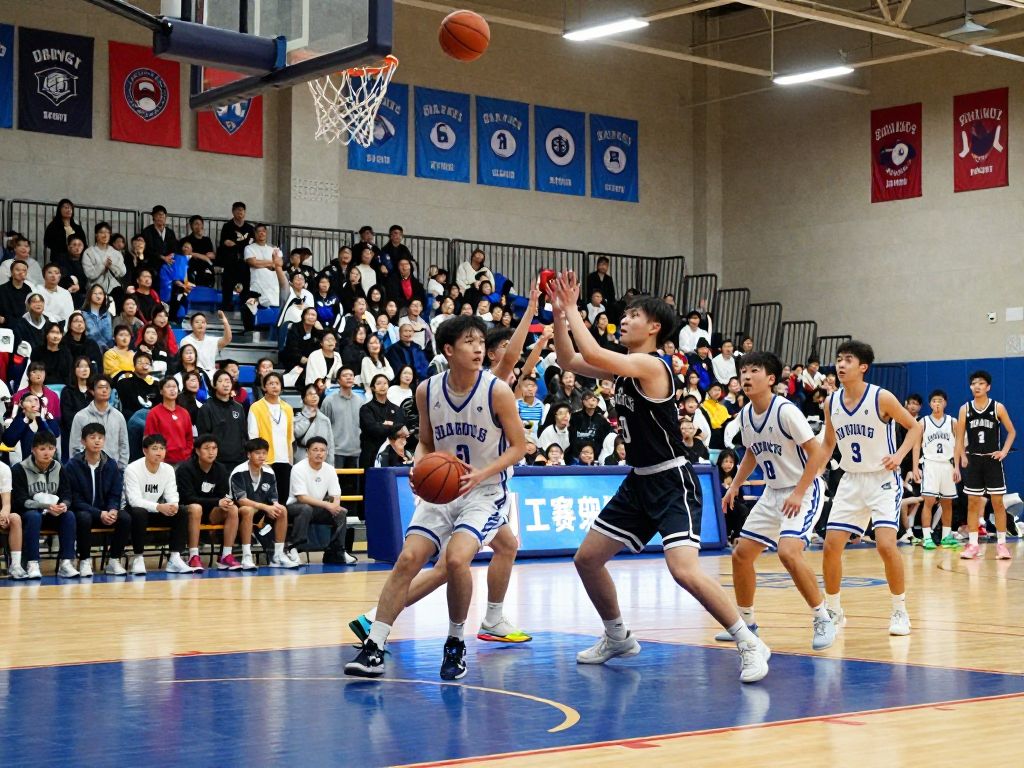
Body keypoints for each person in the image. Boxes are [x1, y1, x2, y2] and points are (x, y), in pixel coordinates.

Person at [547, 271, 770, 683]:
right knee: (587, 559)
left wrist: (574, 307)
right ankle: (617, 637)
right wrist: (561, 316)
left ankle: (748, 640)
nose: (624, 320)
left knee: (683, 570)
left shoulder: (652, 366)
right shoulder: (625, 371)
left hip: (672, 481)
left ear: (653, 327)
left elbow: (593, 350)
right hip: (638, 481)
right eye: (624, 314)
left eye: (632, 315)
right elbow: (569, 361)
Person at [345, 315, 527, 680]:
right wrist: (418, 467)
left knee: (458, 560)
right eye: (470, 342)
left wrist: (482, 473)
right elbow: (426, 441)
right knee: (408, 558)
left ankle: (455, 643)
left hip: (484, 490)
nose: (479, 348)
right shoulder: (427, 390)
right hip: (442, 492)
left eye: (481, 342)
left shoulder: (497, 391)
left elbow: (520, 446)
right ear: (448, 349)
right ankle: (375, 646)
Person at [717, 352, 835, 650]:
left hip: (803, 489)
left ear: (770, 379)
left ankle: (823, 617)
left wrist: (798, 492)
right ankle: (747, 624)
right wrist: (735, 486)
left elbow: (817, 453)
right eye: (743, 371)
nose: (746, 376)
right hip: (773, 493)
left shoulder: (786, 411)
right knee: (741, 555)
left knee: (788, 552)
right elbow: (752, 453)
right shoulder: (745, 414)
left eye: (753, 370)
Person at [819, 340, 923, 636]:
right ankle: (835, 611)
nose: (841, 364)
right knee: (830, 547)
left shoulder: (882, 398)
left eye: (848, 359)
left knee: (886, 545)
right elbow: (828, 444)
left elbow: (915, 427)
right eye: (839, 359)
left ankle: (900, 611)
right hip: (850, 481)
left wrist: (900, 456)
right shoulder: (831, 402)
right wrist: (810, 476)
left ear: (862, 367)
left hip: (882, 481)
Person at [954, 371, 1016, 560]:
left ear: (988, 387)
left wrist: (1004, 451)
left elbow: (1012, 432)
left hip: (992, 461)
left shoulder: (998, 407)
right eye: (974, 383)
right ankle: (973, 544)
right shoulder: (965, 409)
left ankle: (1002, 545)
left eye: (981, 383)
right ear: (970, 387)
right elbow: (958, 439)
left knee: (997, 503)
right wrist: (960, 459)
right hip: (974, 460)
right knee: (973, 503)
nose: (977, 386)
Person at [176, 434, 249, 571]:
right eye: (207, 448)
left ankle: (226, 556)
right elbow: (187, 497)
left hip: (212, 512)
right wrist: (217, 501)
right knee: (196, 508)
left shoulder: (220, 469)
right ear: (197, 451)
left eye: (214, 448)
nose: (211, 452)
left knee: (232, 508)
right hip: (188, 512)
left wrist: (226, 502)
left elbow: (223, 495)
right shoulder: (185, 468)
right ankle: (193, 556)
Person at [122, 434, 193, 574]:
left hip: (156, 510)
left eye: (162, 448)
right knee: (139, 511)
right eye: (154, 448)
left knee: (182, 511)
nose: (159, 452)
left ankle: (174, 558)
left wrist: (173, 506)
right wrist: (159, 507)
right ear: (145, 451)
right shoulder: (132, 469)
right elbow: (134, 500)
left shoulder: (168, 469)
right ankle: (138, 557)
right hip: (133, 511)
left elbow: (172, 494)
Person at [11, 431, 77, 578]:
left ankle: (66, 564)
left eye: (51, 448)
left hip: (53, 514)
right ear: (33, 450)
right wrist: (46, 507)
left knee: (69, 515)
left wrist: (64, 505)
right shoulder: (19, 469)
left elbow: (67, 493)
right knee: (34, 517)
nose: (47, 453)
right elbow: (20, 500)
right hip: (28, 514)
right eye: (42, 449)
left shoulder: (59, 468)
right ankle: (32, 563)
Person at [230, 438, 299, 569]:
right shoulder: (239, 472)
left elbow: (273, 498)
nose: (262, 456)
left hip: (261, 511)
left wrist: (275, 506)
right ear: (249, 455)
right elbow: (241, 500)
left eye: (264, 453)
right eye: (257, 453)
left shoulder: (269, 471)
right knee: (248, 510)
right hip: (237, 512)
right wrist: (266, 507)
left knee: (282, 510)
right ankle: (247, 556)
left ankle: (278, 555)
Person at [67, 423, 126, 577]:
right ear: (83, 441)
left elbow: (115, 493)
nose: (97, 441)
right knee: (83, 517)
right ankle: (85, 560)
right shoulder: (73, 465)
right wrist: (99, 513)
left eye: (100, 438)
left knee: (124, 518)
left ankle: (114, 560)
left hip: (105, 512)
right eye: (92, 438)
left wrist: (113, 509)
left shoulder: (111, 464)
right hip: (84, 511)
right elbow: (74, 498)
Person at [286, 435, 352, 563]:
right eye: (315, 449)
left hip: (318, 508)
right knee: (305, 509)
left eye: (322, 450)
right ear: (307, 452)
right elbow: (302, 497)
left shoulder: (330, 469)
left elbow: (335, 495)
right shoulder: (298, 468)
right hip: (295, 508)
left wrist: (334, 506)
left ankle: (336, 552)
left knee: (341, 512)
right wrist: (328, 505)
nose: (319, 453)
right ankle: (293, 548)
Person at [910, 390, 958, 551]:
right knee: (929, 501)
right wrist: (915, 467)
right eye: (934, 401)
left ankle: (946, 536)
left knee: (947, 503)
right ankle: (927, 537)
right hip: (930, 464)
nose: (937, 403)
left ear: (945, 403)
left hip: (947, 464)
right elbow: (916, 446)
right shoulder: (923, 422)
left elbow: (959, 446)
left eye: (940, 400)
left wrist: (957, 466)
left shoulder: (953, 422)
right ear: (930, 404)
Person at [247, 372, 294, 494]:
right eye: (271, 383)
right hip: (265, 460)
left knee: (283, 496)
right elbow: (253, 437)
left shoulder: (288, 408)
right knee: (265, 496)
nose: (274, 386)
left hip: (284, 459)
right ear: (264, 387)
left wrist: (290, 462)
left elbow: (290, 438)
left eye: (277, 383)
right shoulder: (256, 407)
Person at [69, 376, 129, 468]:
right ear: (92, 391)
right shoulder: (80, 416)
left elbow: (124, 446)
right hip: (87, 470)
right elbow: (75, 448)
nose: (104, 390)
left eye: (107, 387)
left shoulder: (118, 416)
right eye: (100, 387)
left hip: (113, 471)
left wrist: (121, 469)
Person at [196, 370, 249, 471]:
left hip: (239, 461)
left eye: (228, 381)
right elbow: (204, 437)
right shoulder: (206, 408)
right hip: (217, 462)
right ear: (214, 385)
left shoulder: (239, 407)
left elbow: (243, 434)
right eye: (220, 381)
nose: (225, 384)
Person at [359, 373, 405, 469]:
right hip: (371, 454)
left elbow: (400, 428)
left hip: (392, 455)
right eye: (379, 383)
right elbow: (372, 429)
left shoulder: (396, 408)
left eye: (385, 383)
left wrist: (382, 425)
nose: (382, 386)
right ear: (373, 388)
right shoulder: (366, 408)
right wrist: (391, 426)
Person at [216, 202, 257, 310]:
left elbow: (252, 245)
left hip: (245, 262)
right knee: (228, 284)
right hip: (230, 261)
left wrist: (236, 244)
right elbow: (226, 243)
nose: (240, 212)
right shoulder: (227, 226)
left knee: (246, 286)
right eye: (238, 210)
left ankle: (245, 308)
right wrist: (242, 245)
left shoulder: (250, 228)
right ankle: (227, 306)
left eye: (242, 210)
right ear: (233, 212)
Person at [144, 378, 194, 465]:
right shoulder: (154, 413)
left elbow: (189, 438)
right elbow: (150, 440)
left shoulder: (184, 412)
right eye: (168, 386)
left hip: (184, 461)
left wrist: (186, 455)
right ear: (161, 391)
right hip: (163, 462)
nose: (172, 389)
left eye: (174, 386)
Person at [179, 311, 233, 376]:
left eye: (203, 322)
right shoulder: (185, 341)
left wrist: (225, 322)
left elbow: (227, 339)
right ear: (191, 325)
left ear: (206, 325)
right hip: (194, 374)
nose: (200, 324)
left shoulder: (212, 340)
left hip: (211, 374)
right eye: (197, 322)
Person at [0, 459, 28, 579]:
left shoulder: (3, 469)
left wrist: (4, 514)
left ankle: (15, 566)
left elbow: (6, 504)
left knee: (15, 518)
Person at [60, 356, 92, 458]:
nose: (85, 369)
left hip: (94, 431)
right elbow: (67, 416)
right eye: (81, 366)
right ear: (75, 370)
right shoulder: (68, 391)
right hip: (73, 432)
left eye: (87, 366)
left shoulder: (94, 390)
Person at [293, 383, 335, 462]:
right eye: (310, 394)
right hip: (302, 458)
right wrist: (308, 417)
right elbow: (296, 433)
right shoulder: (297, 418)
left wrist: (330, 464)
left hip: (321, 460)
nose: (314, 396)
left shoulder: (325, 420)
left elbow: (330, 445)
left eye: (316, 394)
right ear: (303, 398)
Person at [114, 351, 158, 420]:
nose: (144, 365)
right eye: (140, 362)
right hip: (132, 419)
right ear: (134, 365)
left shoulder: (156, 385)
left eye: (147, 363)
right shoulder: (124, 382)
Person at [0, 260, 34, 329]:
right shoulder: (2, 289)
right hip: (5, 325)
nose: (21, 272)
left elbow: (29, 311)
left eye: (24, 270)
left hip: (23, 325)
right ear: (12, 273)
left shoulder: (28, 289)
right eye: (18, 270)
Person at [83, 285, 114, 351]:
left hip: (109, 352)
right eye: (95, 293)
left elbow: (110, 337)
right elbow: (91, 335)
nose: (98, 296)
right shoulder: (83, 314)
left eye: (100, 293)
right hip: (90, 350)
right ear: (89, 295)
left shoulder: (108, 315)